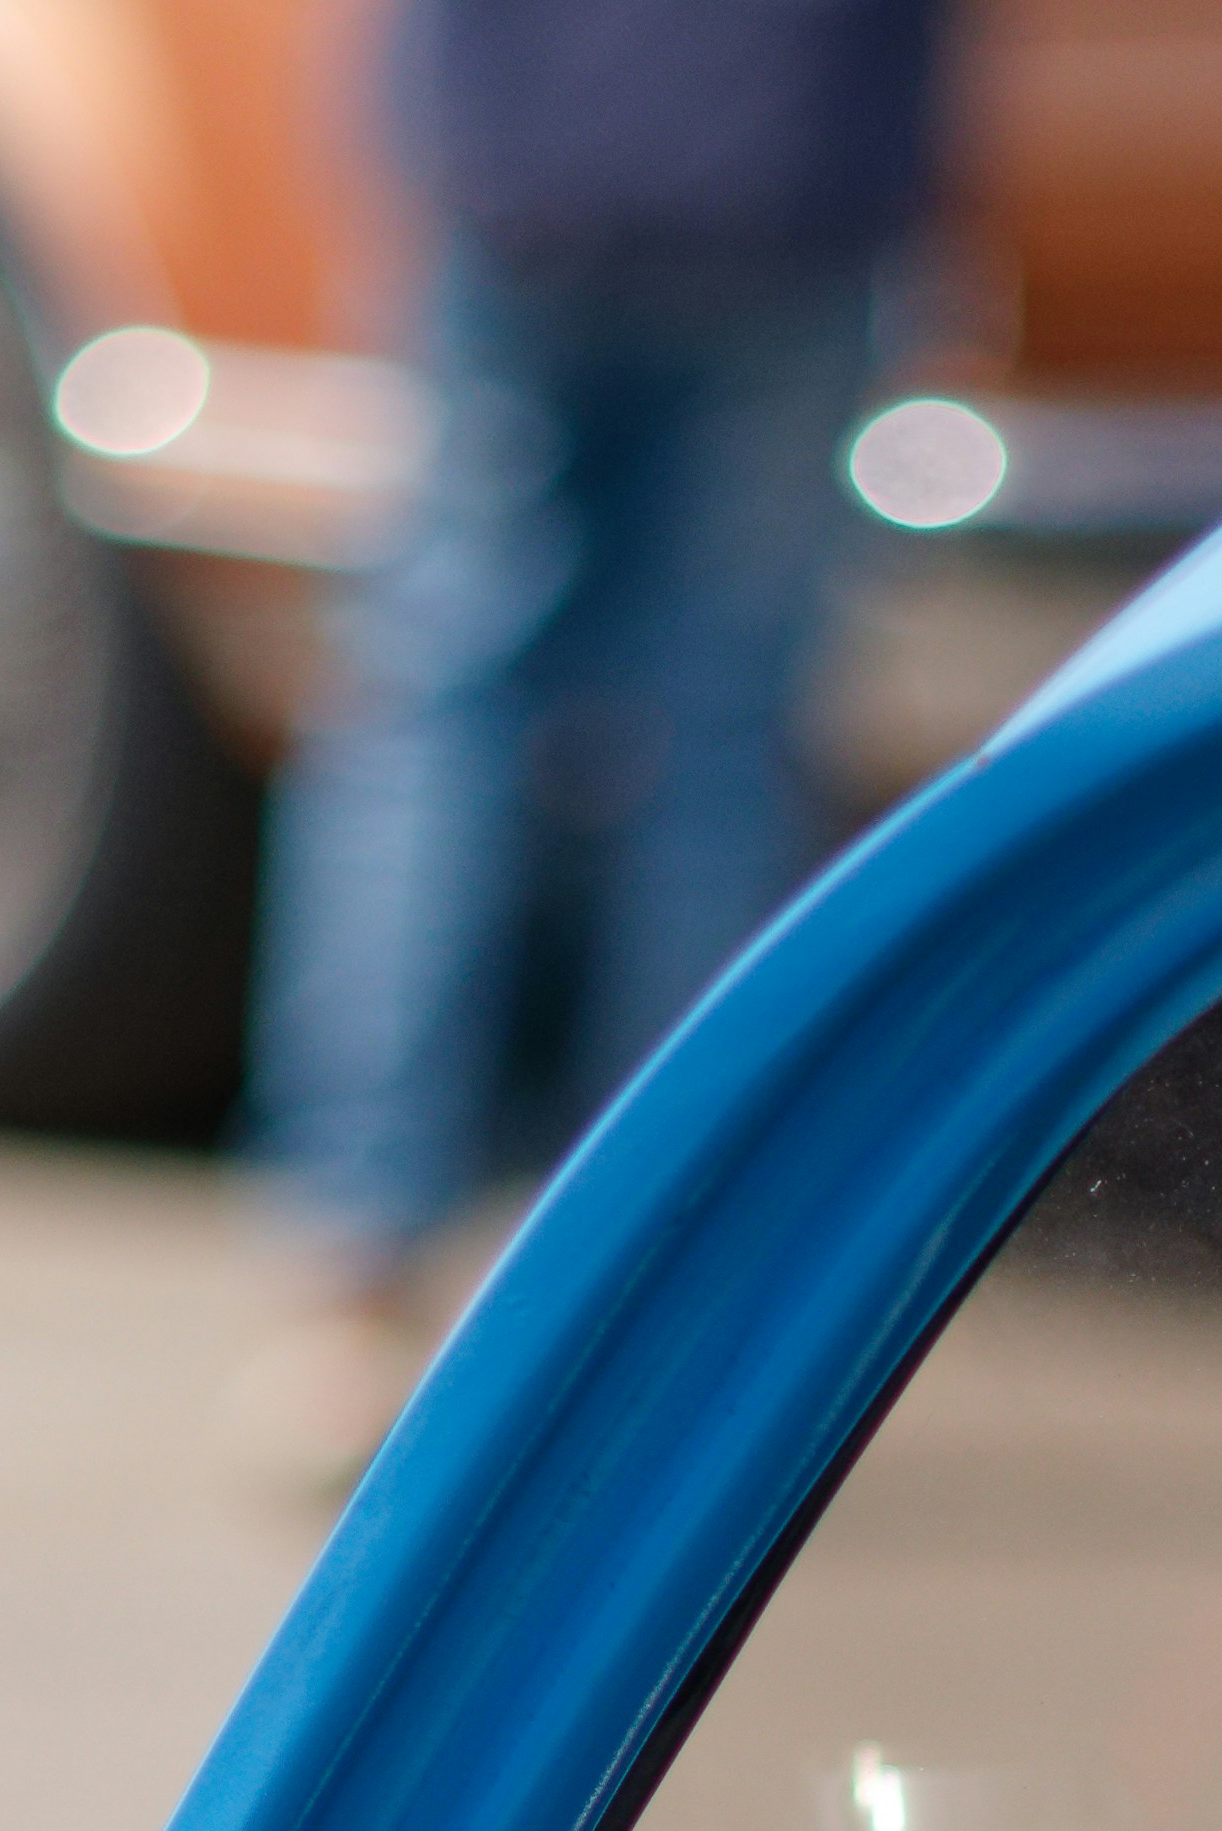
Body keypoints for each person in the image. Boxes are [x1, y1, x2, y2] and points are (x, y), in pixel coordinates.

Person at [238, 0, 956, 1488]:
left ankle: (354, 1284)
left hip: (527, 131)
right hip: (795, 153)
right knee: (719, 738)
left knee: (441, 700)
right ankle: (667, 1313)